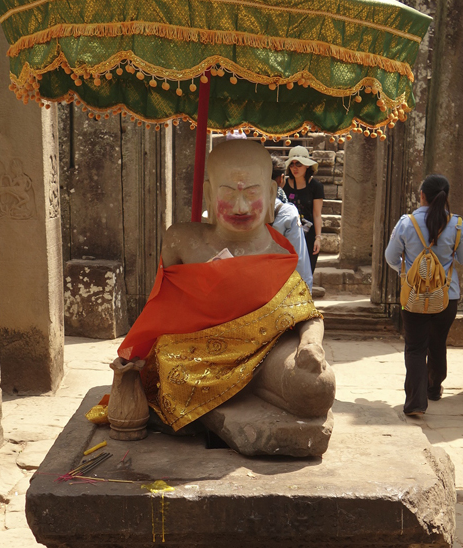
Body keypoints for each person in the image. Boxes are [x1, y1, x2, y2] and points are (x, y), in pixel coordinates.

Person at [116, 137, 335, 431]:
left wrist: (310, 344)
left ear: (272, 194)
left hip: (262, 357)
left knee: (317, 387)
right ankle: (228, 417)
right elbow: (162, 311)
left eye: (252, 192)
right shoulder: (182, 241)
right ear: (208, 193)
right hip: (191, 356)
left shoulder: (279, 254)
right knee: (166, 366)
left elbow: (307, 314)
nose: (240, 206)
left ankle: (237, 405)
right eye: (228, 193)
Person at [384, 174, 463, 417]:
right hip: (447, 296)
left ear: (421, 195)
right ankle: (434, 388)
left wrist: (409, 272)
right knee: (437, 342)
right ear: (445, 197)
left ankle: (415, 403)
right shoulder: (457, 225)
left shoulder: (406, 223)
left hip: (414, 296)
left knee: (415, 347)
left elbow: (391, 258)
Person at [284, 146, 325, 274]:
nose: (294, 168)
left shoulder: (316, 186)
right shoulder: (283, 184)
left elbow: (317, 214)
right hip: (287, 235)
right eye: (292, 164)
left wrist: (318, 238)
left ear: (307, 166)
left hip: (308, 236)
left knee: (306, 274)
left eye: (299, 164)